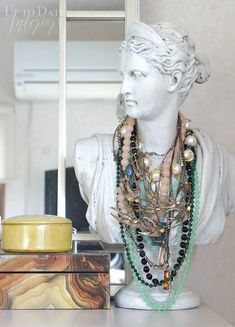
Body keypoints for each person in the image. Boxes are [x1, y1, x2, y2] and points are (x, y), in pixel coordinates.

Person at [75, 21, 235, 310]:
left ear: (173, 79)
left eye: (137, 75)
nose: (124, 88)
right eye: (123, 75)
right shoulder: (92, 155)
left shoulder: (220, 164)